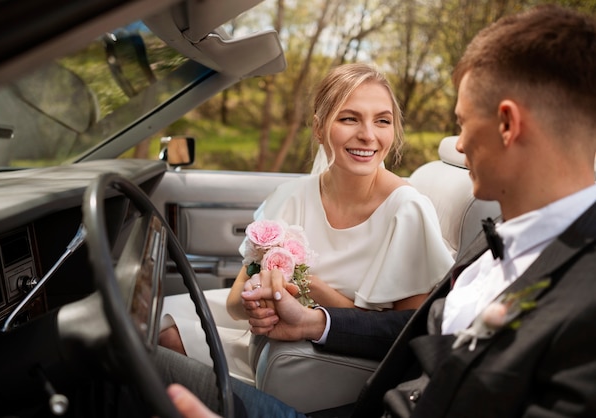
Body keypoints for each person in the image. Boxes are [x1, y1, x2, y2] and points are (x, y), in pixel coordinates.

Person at [161, 4, 596, 418]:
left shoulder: (579, 297)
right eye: (350, 119)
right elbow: (416, 332)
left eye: (462, 124)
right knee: (139, 352)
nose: (457, 146)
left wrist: (312, 298)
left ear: (507, 124)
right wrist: (314, 322)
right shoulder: (496, 239)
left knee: (122, 368)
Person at [159, 63, 454, 384]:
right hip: (266, 338)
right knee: (156, 320)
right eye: (349, 118)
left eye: (382, 121)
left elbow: (407, 333)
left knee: (169, 343)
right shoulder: (291, 197)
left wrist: (308, 284)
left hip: (333, 361)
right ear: (318, 128)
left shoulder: (407, 210)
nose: (368, 135)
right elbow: (234, 303)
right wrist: (257, 306)